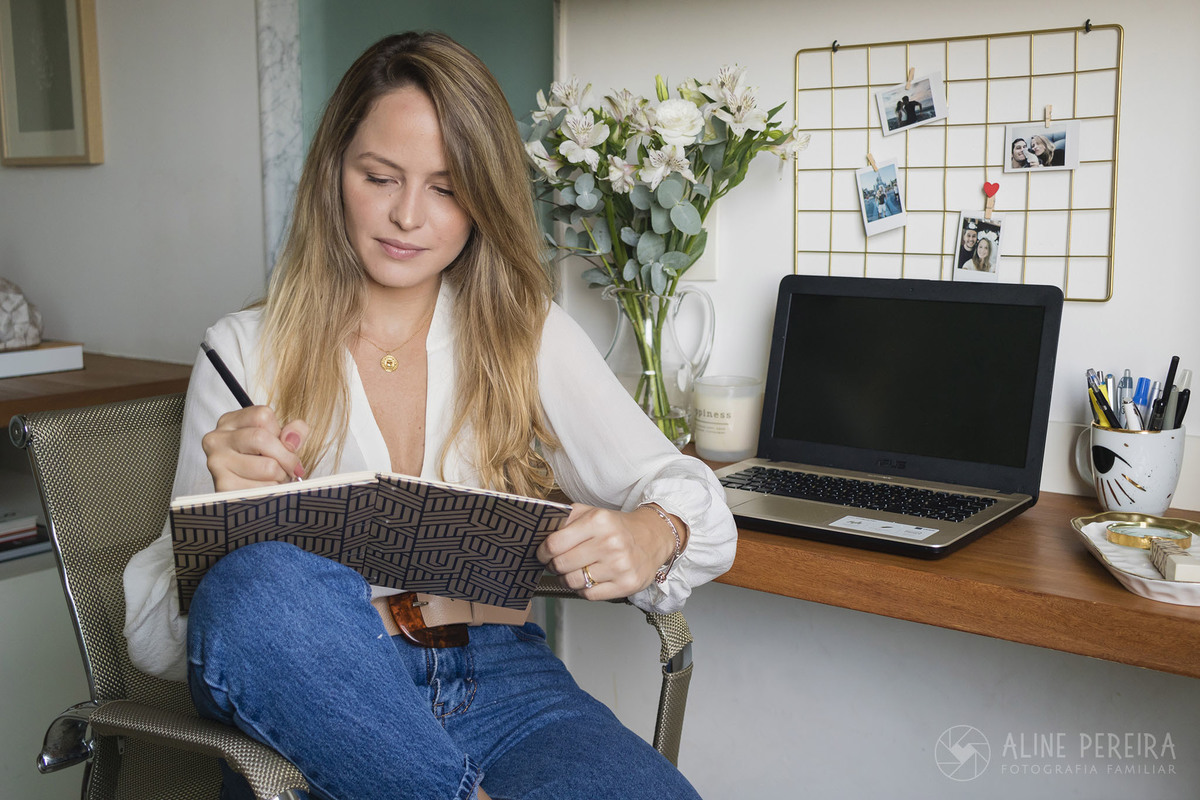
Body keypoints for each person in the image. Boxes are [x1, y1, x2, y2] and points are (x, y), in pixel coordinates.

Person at [122, 31, 736, 800]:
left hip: (503, 678)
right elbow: (157, 640)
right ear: (333, 174)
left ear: (483, 200)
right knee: (259, 585)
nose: (408, 215)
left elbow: (694, 498)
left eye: (446, 189)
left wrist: (653, 533)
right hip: (329, 698)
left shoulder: (526, 331)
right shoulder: (240, 352)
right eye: (380, 177)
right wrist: (219, 510)